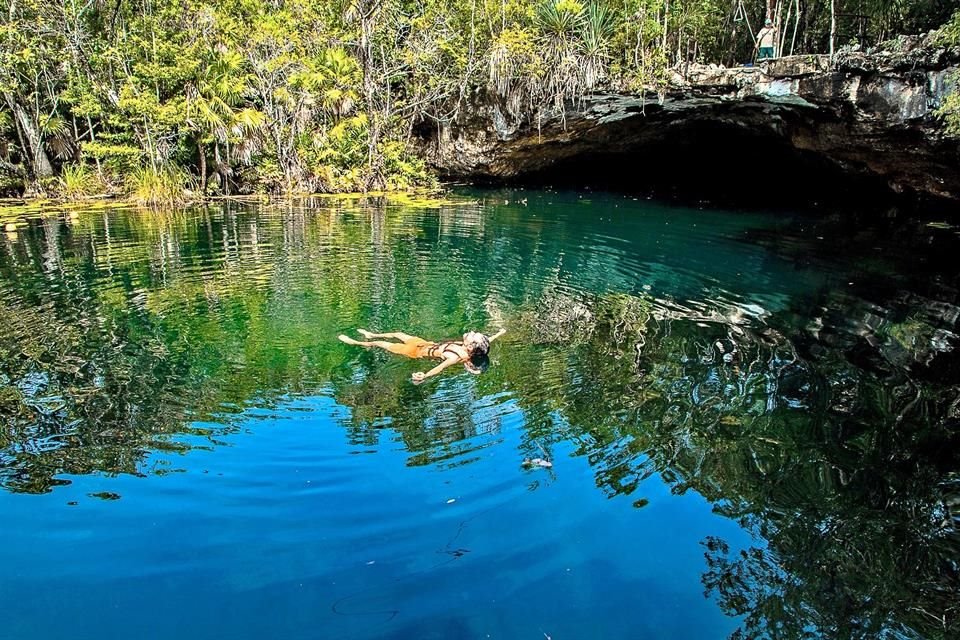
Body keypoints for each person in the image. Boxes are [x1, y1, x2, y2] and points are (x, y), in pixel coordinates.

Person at [338, 328, 506, 382]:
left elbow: (439, 368)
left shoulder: (455, 357)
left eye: (472, 335)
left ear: (471, 346)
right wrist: (498, 334)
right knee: (398, 333)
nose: (471, 332)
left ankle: (357, 343)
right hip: (424, 343)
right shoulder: (469, 347)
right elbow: (486, 341)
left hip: (414, 352)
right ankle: (371, 335)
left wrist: (424, 375)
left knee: (381, 345)